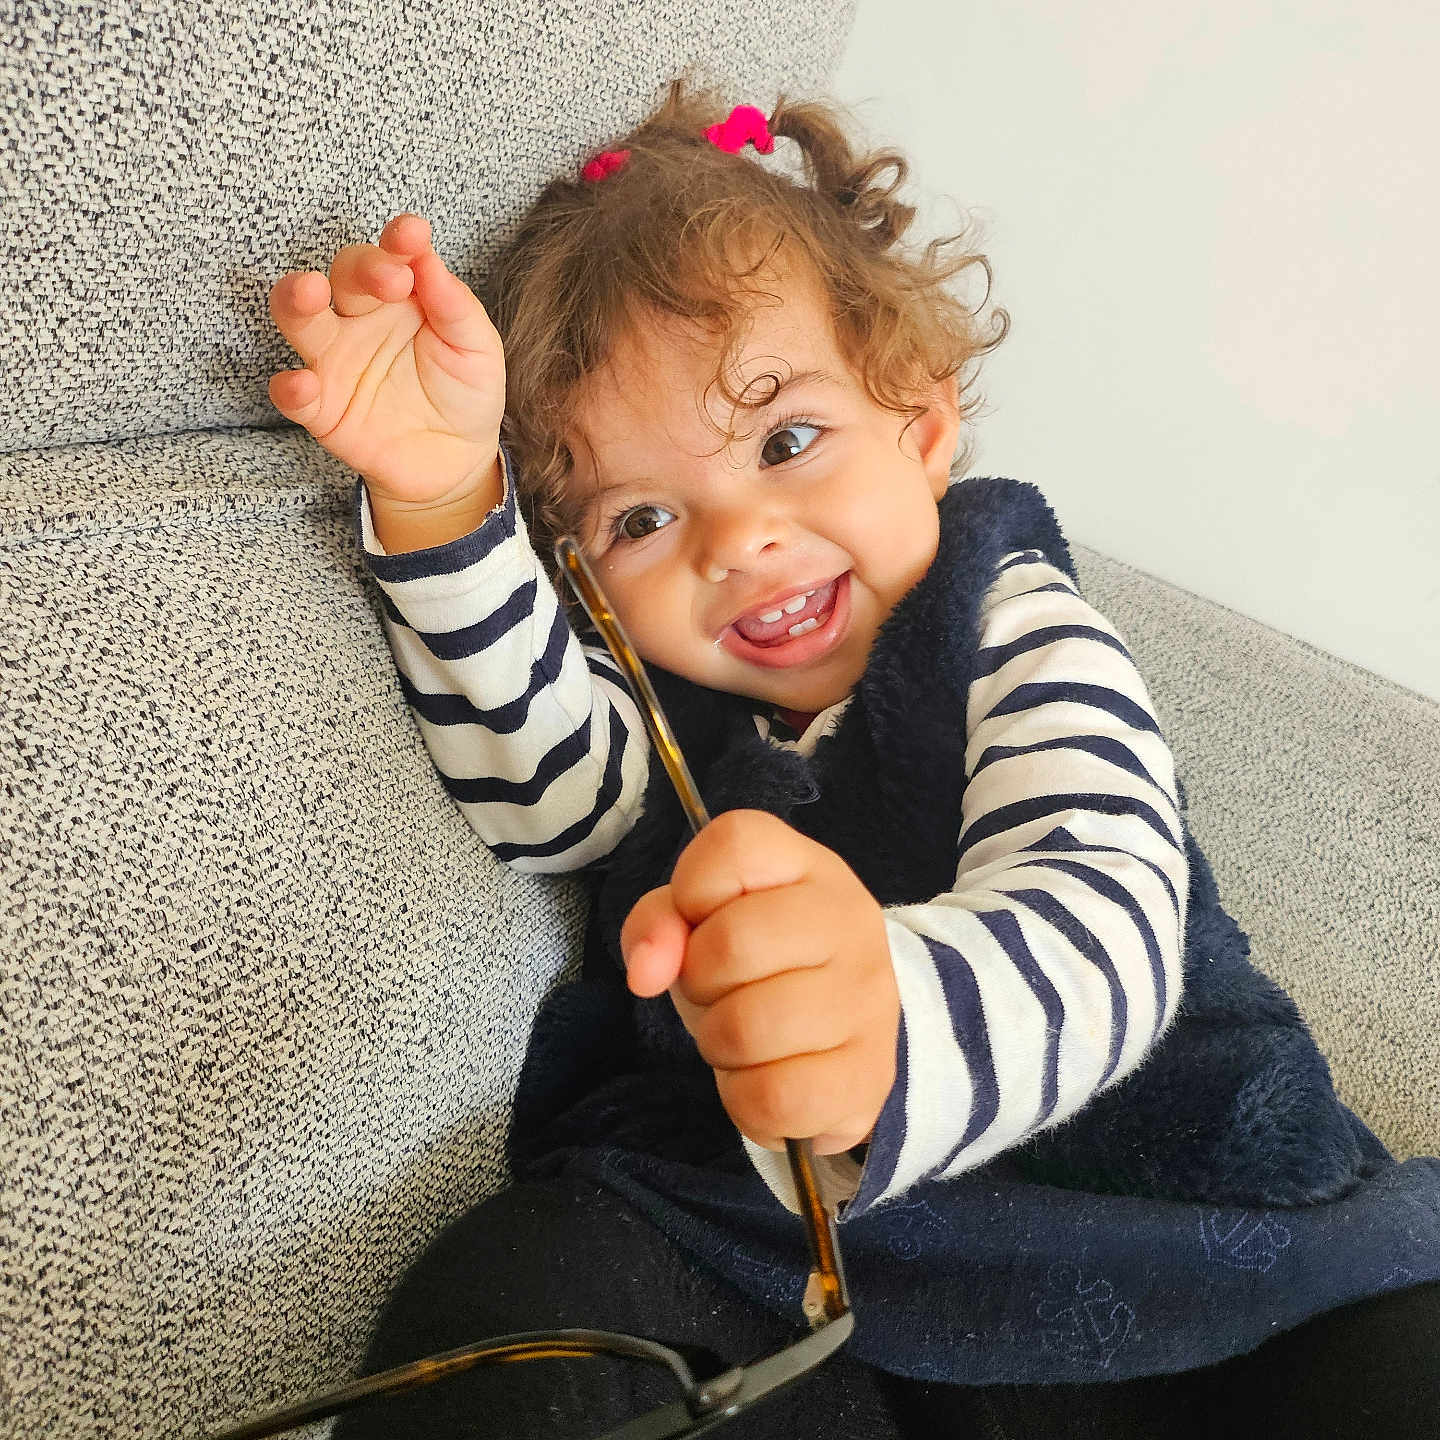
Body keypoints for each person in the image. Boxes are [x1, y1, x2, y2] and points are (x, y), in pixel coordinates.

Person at [267, 83, 1440, 1439]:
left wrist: (889, 1021)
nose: (739, 538)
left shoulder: (1006, 618)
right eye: (643, 517)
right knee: (532, 1293)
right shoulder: (672, 708)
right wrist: (438, 498)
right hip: (809, 1283)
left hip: (1195, 1235)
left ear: (924, 425)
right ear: (585, 574)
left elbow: (1108, 898)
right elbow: (546, 794)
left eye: (786, 441)